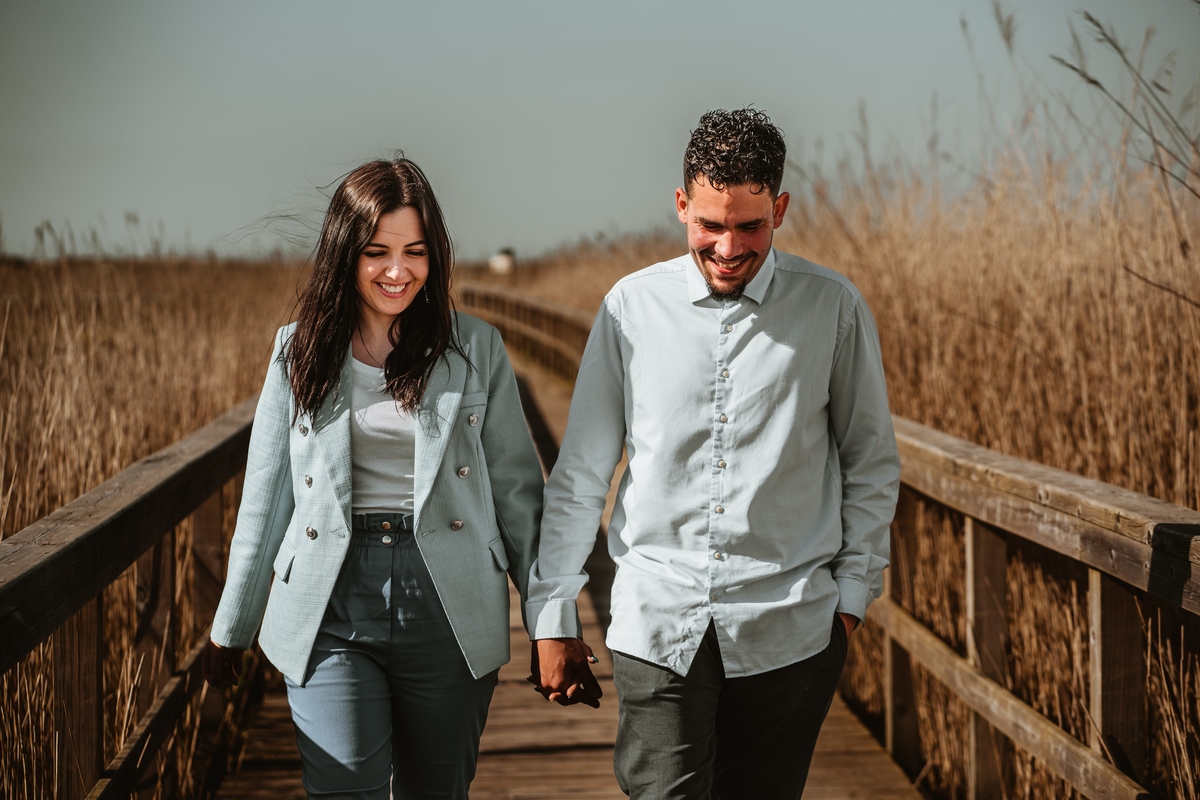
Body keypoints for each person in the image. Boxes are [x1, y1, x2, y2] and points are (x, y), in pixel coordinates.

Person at [526, 108, 901, 798]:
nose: (728, 247)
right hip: (657, 621)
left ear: (780, 209)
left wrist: (851, 598)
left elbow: (871, 461)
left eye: (750, 225)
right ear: (680, 207)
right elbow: (580, 475)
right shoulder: (629, 310)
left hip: (791, 628)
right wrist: (553, 616)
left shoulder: (834, 310)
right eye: (710, 225)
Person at [202, 156, 544, 800]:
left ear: (434, 256)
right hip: (329, 596)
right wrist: (232, 625)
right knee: (343, 785)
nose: (397, 271)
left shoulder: (475, 350)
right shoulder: (297, 351)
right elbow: (266, 497)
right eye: (376, 252)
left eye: (415, 251)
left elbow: (520, 498)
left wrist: (551, 622)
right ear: (344, 253)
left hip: (448, 596)